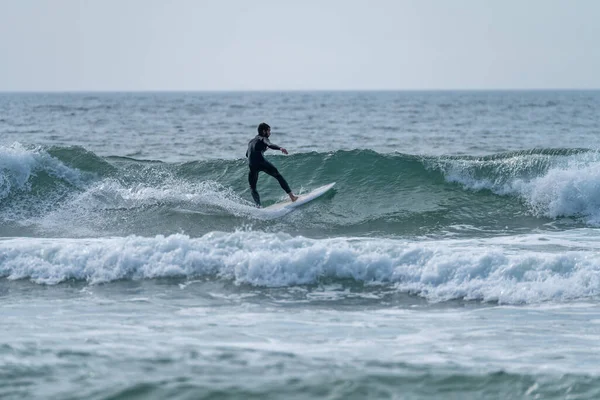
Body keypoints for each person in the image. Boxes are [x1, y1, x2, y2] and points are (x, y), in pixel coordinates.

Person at [246, 122, 298, 207]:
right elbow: (269, 145)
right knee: (278, 176)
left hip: (251, 165)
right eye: (269, 131)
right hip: (261, 162)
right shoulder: (263, 138)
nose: (270, 133)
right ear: (264, 131)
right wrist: (280, 148)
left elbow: (247, 154)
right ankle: (292, 197)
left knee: (253, 187)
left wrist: (262, 150)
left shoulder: (251, 141)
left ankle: (258, 206)